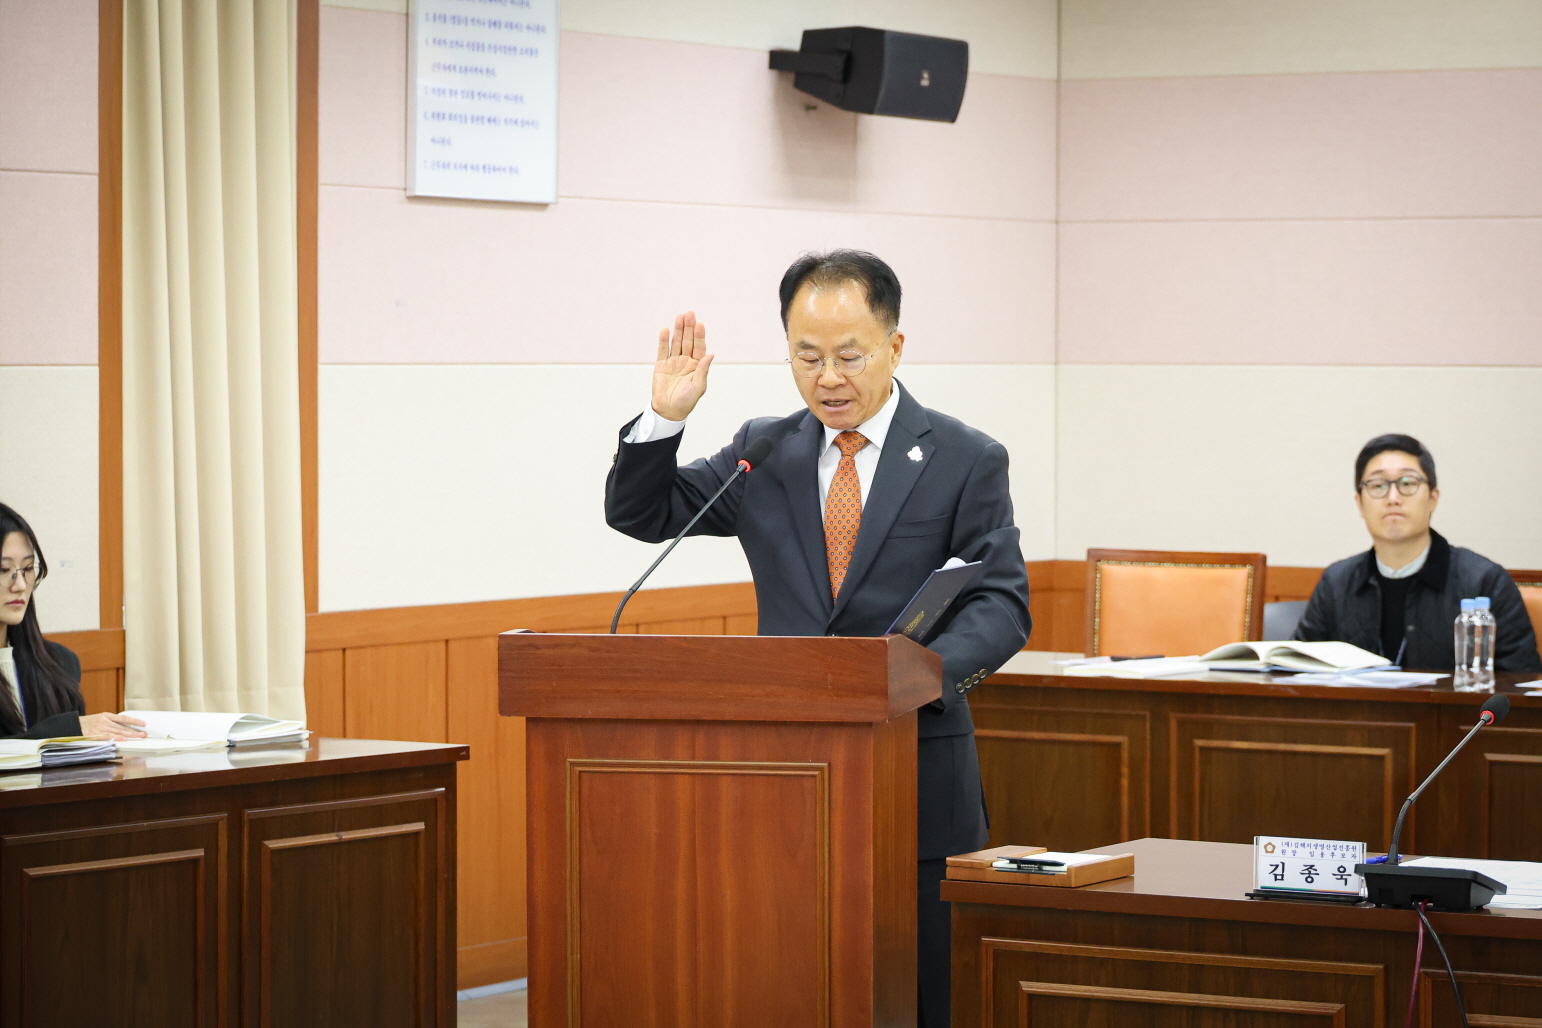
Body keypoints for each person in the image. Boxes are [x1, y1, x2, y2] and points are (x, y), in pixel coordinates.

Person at [604, 250, 1031, 1027]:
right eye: (807, 357)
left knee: (923, 996)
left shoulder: (965, 458)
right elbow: (642, 513)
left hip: (916, 774)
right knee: (792, 984)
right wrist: (666, 416)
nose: (828, 378)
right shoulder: (763, 452)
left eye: (849, 356)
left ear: (894, 347)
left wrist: (915, 678)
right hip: (785, 779)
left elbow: (1002, 604)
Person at [1294, 435, 1541, 672]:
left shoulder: (1485, 581)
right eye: (1378, 485)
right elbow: (1296, 670)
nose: (1393, 498)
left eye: (1407, 484)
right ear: (1359, 503)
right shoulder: (1336, 584)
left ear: (1433, 498)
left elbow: (1520, 682)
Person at [0, 503, 147, 740]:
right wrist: (65, 730)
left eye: (27, 568)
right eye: (3, 570)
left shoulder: (60, 663)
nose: (19, 585)